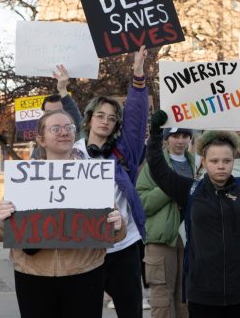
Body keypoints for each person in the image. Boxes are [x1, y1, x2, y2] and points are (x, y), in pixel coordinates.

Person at [0, 109, 126, 318]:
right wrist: (0, 219)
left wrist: (117, 223)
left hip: (84, 273)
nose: (64, 132)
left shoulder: (92, 176)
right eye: (56, 128)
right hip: (33, 276)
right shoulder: (25, 177)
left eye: (69, 128)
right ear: (41, 139)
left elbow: (116, 232)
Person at [145, 108, 240, 318]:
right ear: (204, 162)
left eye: (226, 161)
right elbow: (158, 168)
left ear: (234, 161)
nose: (221, 166)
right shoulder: (190, 190)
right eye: (214, 161)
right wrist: (154, 133)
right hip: (201, 293)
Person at [82, 45, 149, 318]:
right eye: (100, 115)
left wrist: (138, 72)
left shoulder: (124, 152)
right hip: (85, 247)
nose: (105, 121)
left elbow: (135, 116)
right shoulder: (70, 152)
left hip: (124, 246)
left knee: (130, 311)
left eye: (111, 118)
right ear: (88, 119)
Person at [137, 127, 194, 318]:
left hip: (189, 238)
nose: (180, 140)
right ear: (166, 139)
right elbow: (141, 203)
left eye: (185, 136)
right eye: (175, 136)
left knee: (185, 297)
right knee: (162, 297)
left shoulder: (197, 163)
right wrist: (169, 186)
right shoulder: (153, 164)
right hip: (161, 239)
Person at [31, 64, 84, 159]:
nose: (64, 133)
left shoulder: (86, 164)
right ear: (41, 140)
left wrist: (62, 89)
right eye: (49, 113)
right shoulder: (35, 160)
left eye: (59, 112)